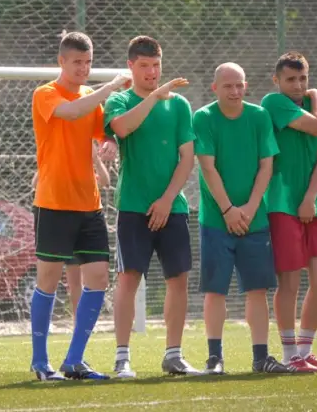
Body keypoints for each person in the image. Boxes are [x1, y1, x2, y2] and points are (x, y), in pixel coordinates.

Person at [30, 31, 129, 381]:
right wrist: (112, 85)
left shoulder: (92, 97)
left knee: (99, 277)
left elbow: (102, 131)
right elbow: (71, 113)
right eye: (77, 62)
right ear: (62, 62)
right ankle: (41, 362)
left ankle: (74, 360)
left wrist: (110, 145)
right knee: (48, 280)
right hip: (54, 202)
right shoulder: (46, 93)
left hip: (90, 204)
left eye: (88, 62)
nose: (84, 69)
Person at [105, 35, 199, 378]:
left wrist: (167, 199)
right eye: (144, 66)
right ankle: (122, 358)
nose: (152, 72)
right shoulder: (119, 99)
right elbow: (123, 128)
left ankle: (173, 355)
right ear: (131, 66)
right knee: (128, 278)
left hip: (172, 207)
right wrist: (154, 97)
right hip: (132, 206)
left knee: (179, 279)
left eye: (156, 65)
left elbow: (187, 158)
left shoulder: (179, 105)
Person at [193, 63, 294, 374]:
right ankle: (214, 358)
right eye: (228, 86)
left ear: (246, 85)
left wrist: (250, 208)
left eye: (239, 85)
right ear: (215, 88)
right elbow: (208, 167)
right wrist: (227, 210)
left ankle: (261, 358)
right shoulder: (204, 118)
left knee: (257, 289)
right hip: (215, 220)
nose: (235, 91)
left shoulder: (259, 116)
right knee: (215, 290)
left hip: (255, 220)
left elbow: (266, 166)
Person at [260, 51, 317, 372]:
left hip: (313, 205)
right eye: (290, 79)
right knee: (288, 282)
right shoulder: (273, 102)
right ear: (276, 80)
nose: (298, 85)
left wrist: (310, 199)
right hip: (280, 202)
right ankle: (290, 353)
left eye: (303, 79)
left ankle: (306, 351)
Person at [31, 141, 111, 318]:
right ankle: (64, 320)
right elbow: (35, 182)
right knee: (60, 280)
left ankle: (78, 322)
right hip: (62, 225)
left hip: (84, 226)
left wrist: (96, 159)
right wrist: (50, 160)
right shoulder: (60, 167)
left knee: (84, 280)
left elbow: (105, 181)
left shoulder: (88, 172)